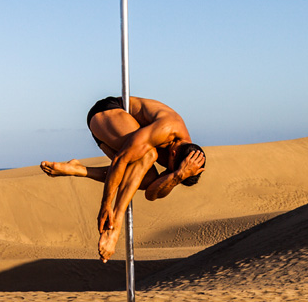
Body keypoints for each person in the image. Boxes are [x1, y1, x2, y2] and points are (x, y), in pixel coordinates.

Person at [41, 96, 206, 262]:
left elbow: (152, 192)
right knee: (148, 154)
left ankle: (78, 169)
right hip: (106, 113)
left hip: (121, 138)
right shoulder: (167, 129)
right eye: (171, 169)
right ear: (174, 154)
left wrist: (177, 177)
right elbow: (121, 159)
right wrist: (106, 205)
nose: (169, 171)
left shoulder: (182, 161)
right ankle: (115, 227)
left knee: (147, 176)